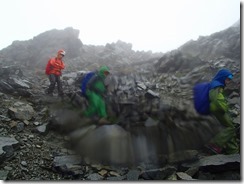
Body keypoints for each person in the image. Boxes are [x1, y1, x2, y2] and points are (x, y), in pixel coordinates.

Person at [207, 68, 239, 154]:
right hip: (218, 110)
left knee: (228, 129)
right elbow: (215, 100)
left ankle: (233, 151)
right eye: (227, 79)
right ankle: (214, 144)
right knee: (230, 127)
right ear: (222, 77)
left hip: (217, 109)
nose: (228, 82)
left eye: (229, 80)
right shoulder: (216, 85)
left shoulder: (216, 84)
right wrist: (225, 108)